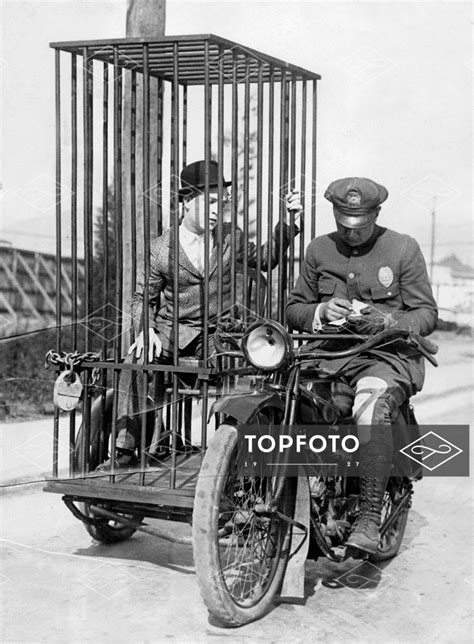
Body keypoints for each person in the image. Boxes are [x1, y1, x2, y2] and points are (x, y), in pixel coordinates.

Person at [100, 159, 301, 470]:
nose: (215, 212)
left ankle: (229, 451)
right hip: (170, 332)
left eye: (220, 204)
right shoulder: (159, 249)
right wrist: (145, 330)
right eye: (208, 203)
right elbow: (142, 298)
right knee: (134, 360)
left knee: (237, 368)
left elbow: (265, 258)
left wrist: (289, 222)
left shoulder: (229, 237)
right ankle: (124, 453)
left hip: (216, 334)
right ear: (185, 202)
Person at [286, 176, 438, 554]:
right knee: (290, 397)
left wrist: (388, 322)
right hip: (332, 357)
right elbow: (293, 308)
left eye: (360, 225)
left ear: (376, 214)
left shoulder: (403, 248)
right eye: (343, 224)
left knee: (369, 407)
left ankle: (369, 517)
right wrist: (319, 310)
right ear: (336, 214)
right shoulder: (319, 249)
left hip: (387, 357)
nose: (351, 234)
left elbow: (427, 314)